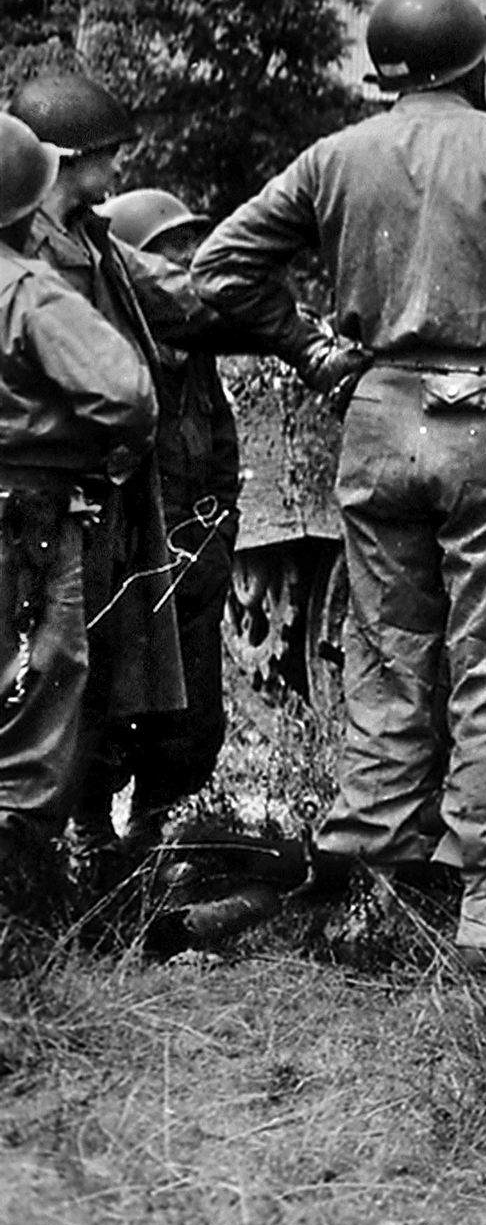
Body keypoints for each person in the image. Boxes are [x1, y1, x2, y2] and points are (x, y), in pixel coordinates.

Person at [194, 0, 486, 973]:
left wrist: (317, 352)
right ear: (477, 60)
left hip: (377, 414)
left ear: (385, 72)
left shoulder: (333, 156)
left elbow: (219, 268)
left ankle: (360, 903)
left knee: (383, 652)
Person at [0, 111, 157, 911]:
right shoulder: (28, 289)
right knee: (39, 690)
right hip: (27, 509)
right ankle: (19, 914)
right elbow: (126, 392)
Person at [80, 189, 245, 858]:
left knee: (192, 718)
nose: (186, 278)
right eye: (169, 262)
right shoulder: (109, 361)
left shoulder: (198, 361)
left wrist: (219, 542)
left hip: (192, 560)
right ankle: (89, 835)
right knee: (105, 708)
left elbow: (223, 454)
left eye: (191, 261)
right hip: (126, 565)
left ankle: (152, 830)